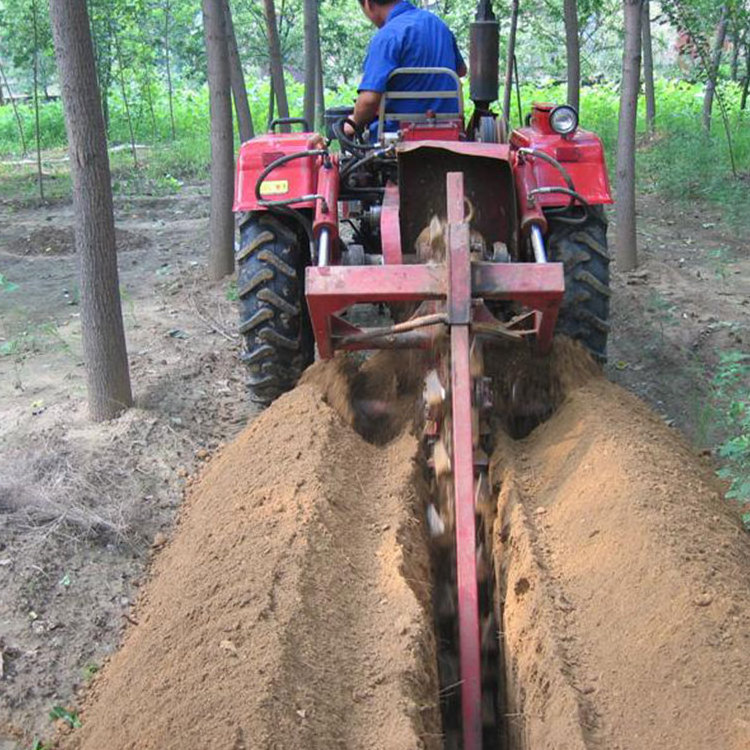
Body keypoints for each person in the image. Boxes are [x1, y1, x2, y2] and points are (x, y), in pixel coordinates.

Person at [348, 0, 466, 136]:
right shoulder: (439, 25)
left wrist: (353, 122)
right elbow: (461, 70)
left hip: (398, 136)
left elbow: (369, 100)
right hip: (448, 132)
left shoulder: (387, 36)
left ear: (368, 4)